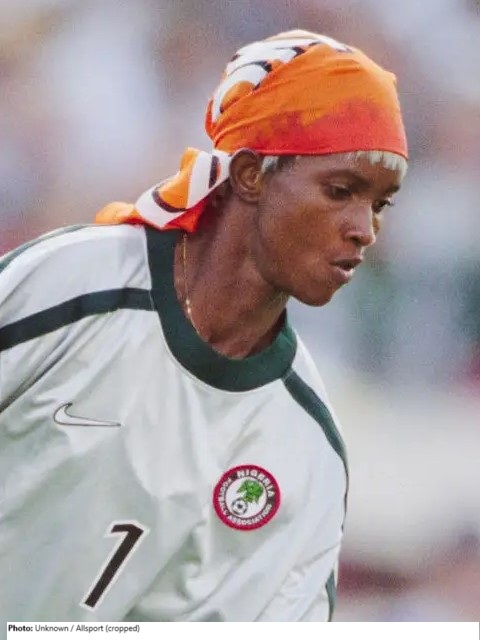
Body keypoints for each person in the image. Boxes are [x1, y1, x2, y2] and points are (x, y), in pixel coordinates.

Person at [0, 30, 407, 622]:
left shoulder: (305, 444)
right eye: (340, 190)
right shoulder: (72, 285)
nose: (364, 229)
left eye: (379, 204)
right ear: (250, 174)